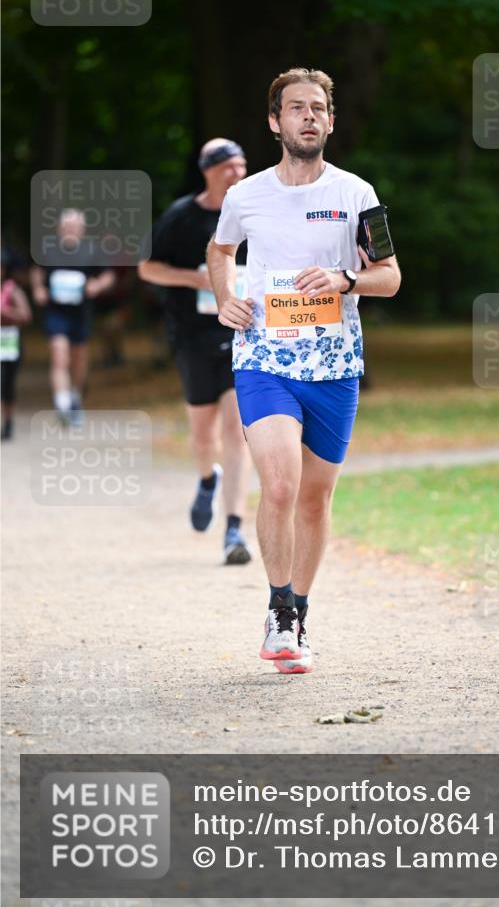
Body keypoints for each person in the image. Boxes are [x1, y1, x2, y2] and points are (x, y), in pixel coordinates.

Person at [207, 68, 401, 674]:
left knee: (315, 500)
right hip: (263, 357)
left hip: (335, 364)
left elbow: (390, 276)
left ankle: (301, 611)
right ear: (275, 122)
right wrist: (224, 298)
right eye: (296, 108)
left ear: (331, 120)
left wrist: (347, 278)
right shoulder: (246, 196)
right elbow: (221, 251)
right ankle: (278, 612)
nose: (309, 116)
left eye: (318, 108)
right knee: (282, 484)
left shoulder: (358, 195)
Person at [138, 139, 252, 565]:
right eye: (228, 168)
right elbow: (147, 267)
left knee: (236, 431)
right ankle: (208, 480)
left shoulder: (253, 211)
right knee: (204, 436)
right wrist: (195, 279)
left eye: (242, 166)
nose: (237, 174)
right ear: (208, 170)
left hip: (241, 336)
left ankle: (235, 529)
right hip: (192, 336)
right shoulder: (182, 216)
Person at [30, 209, 116, 427]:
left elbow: (108, 275)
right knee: (59, 355)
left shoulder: (92, 250)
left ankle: (76, 397)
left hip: (81, 312)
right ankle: (62, 403)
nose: (70, 229)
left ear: (82, 228)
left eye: (74, 225)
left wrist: (97, 285)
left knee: (78, 357)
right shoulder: (48, 248)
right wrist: (38, 288)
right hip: (56, 311)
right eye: (66, 225)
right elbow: (36, 270)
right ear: (60, 227)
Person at [1, 248, 32, 441]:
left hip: (9, 343)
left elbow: (26, 316)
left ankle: (9, 421)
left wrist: (6, 313)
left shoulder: (12, 290)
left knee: (7, 384)